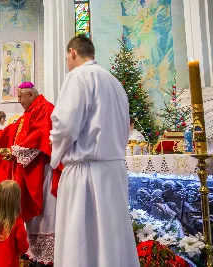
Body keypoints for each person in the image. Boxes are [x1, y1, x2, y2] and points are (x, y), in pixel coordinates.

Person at [50, 35, 139, 267]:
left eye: (67, 58)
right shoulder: (115, 82)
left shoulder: (78, 76)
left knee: (82, 242)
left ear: (72, 52)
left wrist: (55, 149)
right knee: (111, 239)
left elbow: (65, 126)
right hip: (113, 171)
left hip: (85, 174)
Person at [0, 82, 61, 266]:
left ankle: (47, 256)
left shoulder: (44, 108)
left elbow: (40, 135)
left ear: (30, 94)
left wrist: (16, 151)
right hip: (29, 169)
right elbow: (10, 132)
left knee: (45, 211)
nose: (18, 100)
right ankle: (35, 252)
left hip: (41, 170)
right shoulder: (29, 112)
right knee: (35, 216)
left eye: (20, 96)